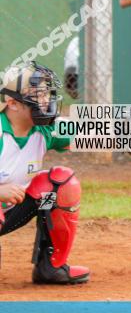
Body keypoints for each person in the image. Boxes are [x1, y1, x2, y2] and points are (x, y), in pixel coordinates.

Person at [0, 63, 89, 284]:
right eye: (37, 95)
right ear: (12, 103)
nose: (46, 101)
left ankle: (51, 266)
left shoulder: (45, 129)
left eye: (47, 94)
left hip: (11, 212)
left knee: (59, 185)